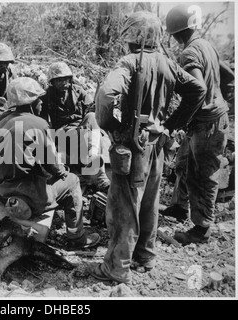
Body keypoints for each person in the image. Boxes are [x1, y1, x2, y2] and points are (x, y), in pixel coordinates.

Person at [87, 11, 206, 284]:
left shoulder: (128, 62)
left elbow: (105, 95)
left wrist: (111, 126)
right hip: (156, 146)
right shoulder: (167, 63)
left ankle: (116, 268)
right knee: (150, 201)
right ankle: (146, 256)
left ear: (132, 36)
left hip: (132, 146)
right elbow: (197, 90)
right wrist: (171, 125)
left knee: (123, 207)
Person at [0, 77, 100, 249]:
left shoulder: (2, 122)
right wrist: (62, 171)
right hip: (29, 193)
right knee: (73, 181)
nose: (41, 103)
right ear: (31, 103)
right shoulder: (38, 123)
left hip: (4, 188)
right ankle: (77, 238)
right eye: (39, 99)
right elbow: (51, 163)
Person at [166, 4, 234, 245]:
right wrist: (224, 104)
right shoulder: (206, 45)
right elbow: (229, 77)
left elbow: (197, 89)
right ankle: (180, 209)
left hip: (207, 123)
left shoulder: (190, 53)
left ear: (176, 33)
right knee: (186, 166)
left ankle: (202, 229)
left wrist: (176, 121)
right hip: (209, 119)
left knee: (203, 175)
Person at [40, 62, 110, 193]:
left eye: (65, 79)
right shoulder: (46, 97)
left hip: (80, 128)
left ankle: (93, 158)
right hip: (62, 133)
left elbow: (90, 108)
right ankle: (96, 176)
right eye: (59, 80)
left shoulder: (78, 91)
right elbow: (43, 121)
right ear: (52, 82)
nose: (63, 83)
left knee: (91, 116)